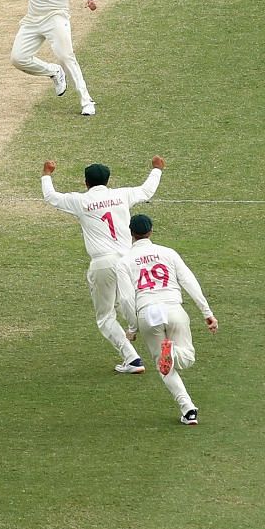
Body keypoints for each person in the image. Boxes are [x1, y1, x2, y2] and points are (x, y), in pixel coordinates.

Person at [42, 156, 166, 373]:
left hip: (103, 263)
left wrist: (46, 174)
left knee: (105, 317)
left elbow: (51, 197)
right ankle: (163, 337)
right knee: (127, 303)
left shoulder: (81, 201)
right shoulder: (121, 195)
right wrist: (156, 169)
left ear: (85, 183)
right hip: (128, 261)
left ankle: (132, 359)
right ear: (108, 180)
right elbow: (146, 191)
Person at [120, 214, 218, 425]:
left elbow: (126, 298)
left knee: (164, 366)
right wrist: (206, 312)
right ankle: (172, 352)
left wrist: (132, 327)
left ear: (131, 234)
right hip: (173, 308)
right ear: (151, 231)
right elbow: (189, 281)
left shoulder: (124, 261)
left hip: (148, 313)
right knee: (187, 358)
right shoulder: (168, 253)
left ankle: (188, 408)